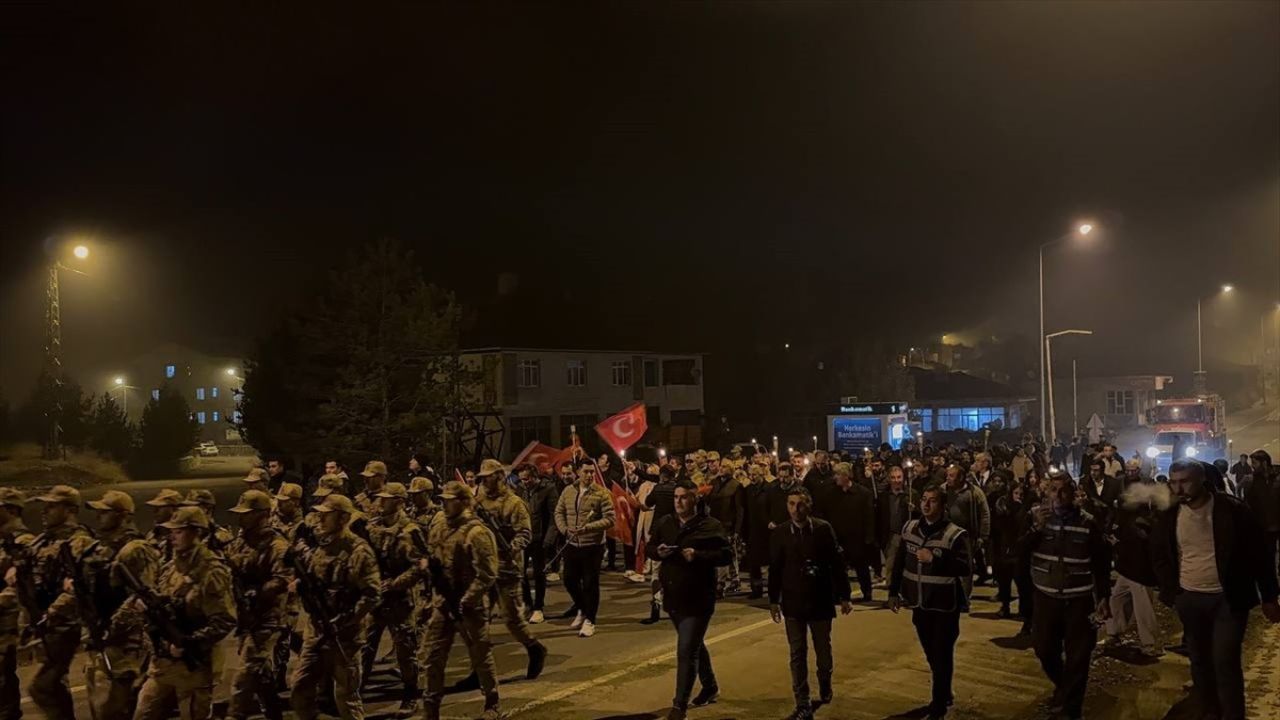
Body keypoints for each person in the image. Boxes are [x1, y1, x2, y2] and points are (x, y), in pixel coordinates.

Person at [1150, 459, 1280, 720]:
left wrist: (1269, 597)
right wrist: (1172, 591)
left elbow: (1259, 555)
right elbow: (1160, 553)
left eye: (1184, 481)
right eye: (1173, 482)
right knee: (1199, 660)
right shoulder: (1169, 514)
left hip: (1228, 599)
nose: (1178, 488)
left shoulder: (1232, 510)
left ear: (1201, 480)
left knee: (1225, 661)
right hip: (1189, 598)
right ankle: (1209, 710)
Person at [131, 506, 238, 720]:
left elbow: (225, 620)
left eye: (178, 531)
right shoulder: (170, 567)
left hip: (193, 669)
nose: (172, 536)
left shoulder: (211, 571)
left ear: (196, 532)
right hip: (162, 665)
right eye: (171, 532)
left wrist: (189, 642)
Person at [1022, 471, 1112, 720]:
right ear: (1046, 492)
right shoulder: (1035, 519)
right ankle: (1064, 686)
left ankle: (1072, 711)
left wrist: (1103, 596)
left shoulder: (1087, 523)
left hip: (1079, 602)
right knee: (1044, 649)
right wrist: (1035, 529)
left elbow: (1102, 563)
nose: (1059, 496)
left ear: (1073, 493)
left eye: (1064, 491)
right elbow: (1017, 551)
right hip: (1046, 598)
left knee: (1079, 658)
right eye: (1053, 490)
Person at [289, 494, 381, 720]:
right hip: (316, 631)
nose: (320, 518)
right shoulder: (322, 544)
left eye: (326, 515)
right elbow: (315, 576)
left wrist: (345, 620)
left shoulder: (358, 551)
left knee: (346, 697)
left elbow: (371, 594)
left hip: (344, 636)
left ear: (342, 519)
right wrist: (299, 584)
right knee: (300, 687)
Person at [769, 487, 853, 720]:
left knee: (823, 650)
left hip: (820, 600)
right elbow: (775, 569)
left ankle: (825, 680)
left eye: (801, 504)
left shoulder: (823, 529)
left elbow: (837, 564)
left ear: (809, 506)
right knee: (797, 653)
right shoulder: (781, 533)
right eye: (792, 504)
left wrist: (844, 595)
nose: (796, 509)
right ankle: (802, 701)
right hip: (793, 602)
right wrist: (773, 600)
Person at [421, 481, 503, 720]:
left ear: (464, 502)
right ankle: (430, 708)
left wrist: (467, 600)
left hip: (470, 605)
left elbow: (487, 573)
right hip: (442, 604)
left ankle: (492, 701)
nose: (444, 504)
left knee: (480, 654)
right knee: (432, 656)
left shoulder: (477, 532)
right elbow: (432, 558)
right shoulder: (439, 527)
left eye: (450, 499)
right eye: (443, 500)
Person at [652, 480, 733, 720]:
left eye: (684, 497)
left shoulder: (710, 526)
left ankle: (679, 706)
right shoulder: (665, 523)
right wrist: (658, 551)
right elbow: (649, 546)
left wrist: (698, 555)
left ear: (695, 500)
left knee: (686, 649)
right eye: (676, 497)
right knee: (693, 645)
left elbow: (725, 555)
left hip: (699, 597)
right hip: (674, 595)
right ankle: (709, 686)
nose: (678, 502)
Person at [888, 486, 970, 719]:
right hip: (919, 604)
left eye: (932, 501)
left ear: (942, 506)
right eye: (924, 500)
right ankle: (943, 689)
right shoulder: (910, 528)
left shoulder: (955, 534)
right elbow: (900, 561)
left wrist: (936, 558)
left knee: (942, 652)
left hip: (944, 605)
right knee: (931, 653)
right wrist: (893, 592)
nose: (926, 505)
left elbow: (964, 567)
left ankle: (939, 702)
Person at [22, 485, 97, 720]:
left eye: (52, 506)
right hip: (47, 622)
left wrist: (52, 612)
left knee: (43, 686)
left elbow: (80, 587)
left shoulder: (79, 541)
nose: (45, 511)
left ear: (71, 510)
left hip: (66, 623)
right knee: (53, 685)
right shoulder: (44, 540)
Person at [476, 459, 548, 679]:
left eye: (488, 476)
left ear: (499, 476)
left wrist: (511, 547)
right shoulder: (478, 503)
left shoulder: (514, 503)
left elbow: (525, 533)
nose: (484, 481)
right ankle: (479, 667)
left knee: (512, 619)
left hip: (507, 569)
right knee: (478, 620)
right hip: (483, 568)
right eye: (482, 478)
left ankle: (534, 647)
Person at [225, 490, 291, 720]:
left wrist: (258, 592)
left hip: (267, 618)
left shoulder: (277, 545)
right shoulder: (240, 542)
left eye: (247, 514)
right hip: (246, 618)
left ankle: (235, 715)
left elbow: (283, 579)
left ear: (263, 514)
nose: (241, 518)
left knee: (243, 678)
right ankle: (275, 714)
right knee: (261, 675)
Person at [360, 482, 423, 716]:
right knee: (366, 647)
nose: (380, 502)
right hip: (377, 598)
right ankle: (356, 691)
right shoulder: (373, 528)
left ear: (398, 502)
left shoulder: (409, 531)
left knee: (405, 650)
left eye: (385, 499)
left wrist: (395, 583)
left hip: (399, 599)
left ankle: (410, 693)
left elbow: (419, 566)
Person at [1101, 476, 1163, 657]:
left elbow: (1140, 545)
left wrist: (1117, 544)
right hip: (1128, 568)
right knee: (1116, 600)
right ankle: (1115, 633)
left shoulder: (1143, 519)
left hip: (1140, 571)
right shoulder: (1130, 515)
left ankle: (1152, 644)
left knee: (1144, 609)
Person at [554, 461, 616, 638]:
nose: (589, 475)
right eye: (586, 472)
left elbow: (610, 519)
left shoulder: (601, 493)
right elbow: (559, 512)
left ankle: (590, 620)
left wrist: (588, 528)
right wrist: (565, 529)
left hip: (593, 546)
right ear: (578, 472)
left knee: (590, 583)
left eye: (592, 472)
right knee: (569, 580)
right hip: (572, 543)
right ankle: (582, 608)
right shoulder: (568, 491)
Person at [0, 488, 31, 720]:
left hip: (8, 622)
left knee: (3, 678)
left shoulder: (22, 541)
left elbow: (21, 584)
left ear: (11, 510)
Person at [826, 462, 876, 602]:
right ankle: (841, 594)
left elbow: (869, 517)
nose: (835, 478)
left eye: (837, 475)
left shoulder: (863, 493)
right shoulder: (832, 494)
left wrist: (869, 538)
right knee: (839, 568)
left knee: (861, 567)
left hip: (857, 538)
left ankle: (866, 592)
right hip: (839, 537)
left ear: (846, 476)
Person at [516, 464, 558, 624]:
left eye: (526, 479)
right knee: (520, 572)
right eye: (521, 479)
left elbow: (554, 515)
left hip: (540, 538)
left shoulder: (548, 489)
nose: (524, 482)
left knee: (539, 573)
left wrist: (549, 539)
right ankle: (527, 603)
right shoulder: (519, 490)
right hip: (523, 537)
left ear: (534, 476)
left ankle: (538, 607)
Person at [943, 465, 989, 598]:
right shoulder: (944, 490)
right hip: (947, 534)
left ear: (961, 477)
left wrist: (983, 536)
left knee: (966, 568)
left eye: (951, 476)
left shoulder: (975, 493)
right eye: (948, 475)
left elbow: (984, 514)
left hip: (967, 536)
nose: (948, 478)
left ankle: (964, 597)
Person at [704, 453, 743, 597]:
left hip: (728, 524)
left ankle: (722, 584)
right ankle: (733, 580)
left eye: (725, 466)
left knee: (727, 553)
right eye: (721, 466)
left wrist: (737, 529)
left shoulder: (736, 486)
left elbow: (739, 509)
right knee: (724, 553)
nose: (721, 468)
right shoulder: (715, 483)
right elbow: (709, 500)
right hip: (715, 523)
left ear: (731, 469)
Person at [878, 464, 914, 593]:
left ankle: (906, 592)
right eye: (893, 478)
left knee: (907, 565)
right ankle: (892, 592)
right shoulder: (883, 497)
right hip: (891, 536)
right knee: (891, 565)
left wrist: (914, 509)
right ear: (889, 479)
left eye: (899, 477)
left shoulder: (911, 494)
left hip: (907, 535)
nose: (896, 480)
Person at [1244, 450, 1279, 577]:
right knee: (1267, 556)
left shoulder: (1277, 478)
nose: (1252, 466)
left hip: (1277, 523)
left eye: (1254, 463)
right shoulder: (1250, 481)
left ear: (1264, 463)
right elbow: (1247, 503)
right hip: (1262, 526)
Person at [144, 488, 185, 560]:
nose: (155, 511)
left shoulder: (184, 535)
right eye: (155, 507)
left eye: (160, 507)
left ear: (174, 509)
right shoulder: (153, 534)